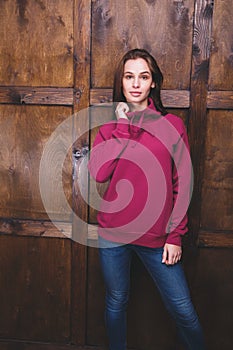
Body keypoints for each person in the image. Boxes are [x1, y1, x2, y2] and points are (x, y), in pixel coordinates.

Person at [88, 48, 205, 350]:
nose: (136, 83)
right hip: (114, 233)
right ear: (122, 82)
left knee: (183, 311)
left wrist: (176, 235)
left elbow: (183, 183)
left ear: (153, 83)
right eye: (129, 77)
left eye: (144, 76)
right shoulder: (110, 128)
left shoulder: (172, 126)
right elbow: (100, 174)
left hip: (157, 237)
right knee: (116, 302)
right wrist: (124, 127)